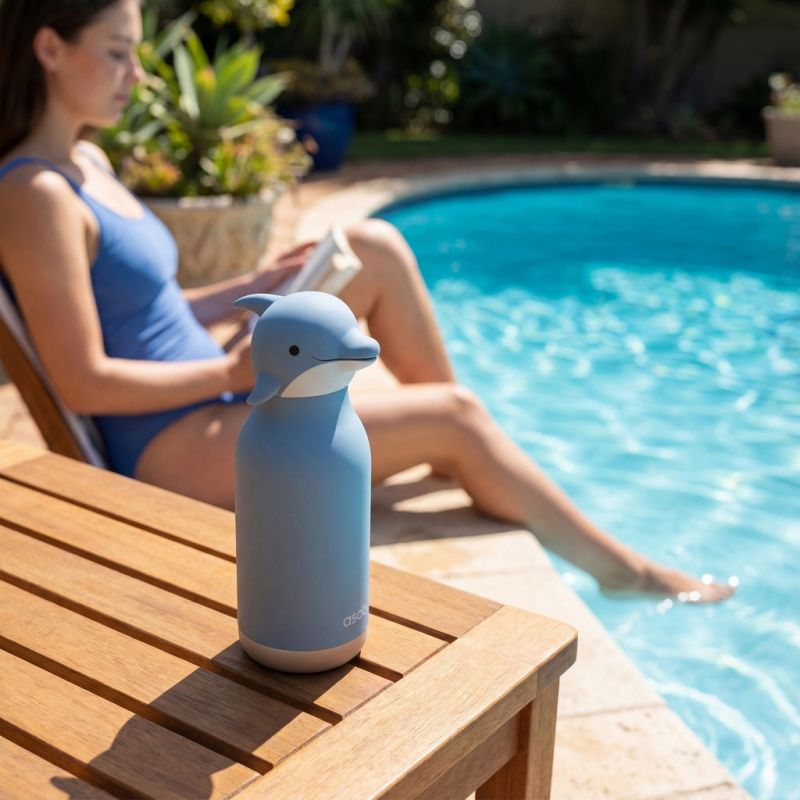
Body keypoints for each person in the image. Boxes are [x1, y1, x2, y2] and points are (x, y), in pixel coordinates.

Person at [0, 0, 734, 602]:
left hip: (212, 398)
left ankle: (456, 452)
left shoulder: (86, 159)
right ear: (50, 48)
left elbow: (146, 308)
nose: (136, 74)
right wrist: (229, 373)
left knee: (372, 247)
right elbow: (82, 380)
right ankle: (625, 573)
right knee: (457, 415)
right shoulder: (35, 194)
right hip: (173, 448)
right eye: (118, 53)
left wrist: (252, 286)